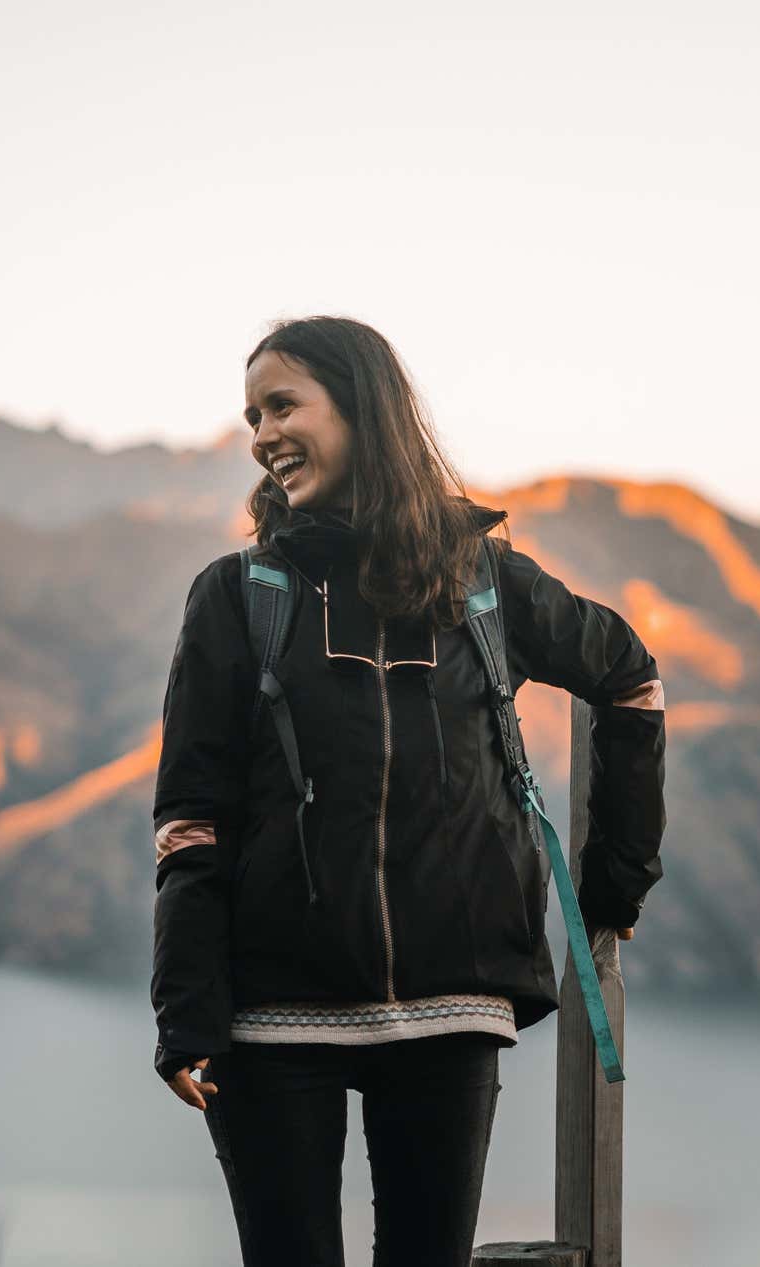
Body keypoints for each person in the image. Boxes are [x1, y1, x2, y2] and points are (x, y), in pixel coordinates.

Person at [148, 315, 668, 1267]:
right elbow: (192, 818)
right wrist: (187, 1011)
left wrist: (616, 881)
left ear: (361, 407)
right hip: (271, 1013)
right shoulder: (235, 595)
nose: (260, 435)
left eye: (281, 405)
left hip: (451, 1003)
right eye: (251, 416)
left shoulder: (486, 581)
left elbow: (630, 677)